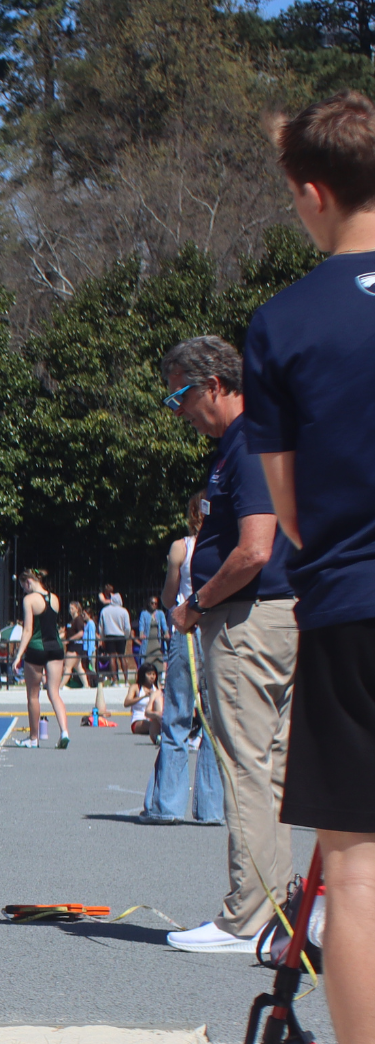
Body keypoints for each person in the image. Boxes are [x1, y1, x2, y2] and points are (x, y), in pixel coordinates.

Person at [247, 91, 375, 1037]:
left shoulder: (284, 322)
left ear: (315, 193)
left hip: (352, 605)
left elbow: (286, 508)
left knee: (359, 869)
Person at [160, 334, 299, 955]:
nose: (179, 409)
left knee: (245, 770)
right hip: (264, 618)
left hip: (248, 623)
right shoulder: (241, 447)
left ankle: (247, 917)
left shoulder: (247, 444)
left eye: (182, 394)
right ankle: (274, 907)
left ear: (215, 384)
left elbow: (255, 548)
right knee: (266, 772)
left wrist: (197, 604)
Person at [142, 492, 224, 828]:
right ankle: (209, 808)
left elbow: (167, 596)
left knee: (176, 717)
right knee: (213, 724)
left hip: (186, 633)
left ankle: (170, 806)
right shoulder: (225, 547)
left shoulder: (182, 547)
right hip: (216, 632)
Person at [11, 570, 71, 749]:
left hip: (37, 648)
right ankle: (64, 732)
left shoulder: (29, 600)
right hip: (56, 648)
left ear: (28, 582)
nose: (24, 591)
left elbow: (28, 630)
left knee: (33, 695)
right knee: (54, 692)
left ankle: (34, 737)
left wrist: (19, 655)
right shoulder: (54, 598)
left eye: (24, 587)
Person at [99, 585, 132, 684]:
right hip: (121, 635)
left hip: (109, 635)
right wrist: (126, 635)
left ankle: (115, 680)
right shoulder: (124, 611)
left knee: (112, 657)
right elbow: (127, 627)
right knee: (122, 657)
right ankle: (126, 680)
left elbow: (101, 627)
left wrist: (103, 637)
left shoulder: (104, 611)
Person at [125, 662, 163, 741]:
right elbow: (126, 703)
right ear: (143, 674)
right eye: (149, 674)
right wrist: (143, 696)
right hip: (139, 720)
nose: (152, 677)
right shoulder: (136, 687)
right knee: (150, 725)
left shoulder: (157, 687)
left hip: (153, 718)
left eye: (154, 674)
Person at [138, 595, 170, 674]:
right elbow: (141, 625)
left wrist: (166, 633)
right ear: (149, 604)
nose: (154, 605)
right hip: (148, 641)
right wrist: (141, 634)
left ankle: (158, 679)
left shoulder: (160, 613)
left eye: (156, 603)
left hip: (157, 641)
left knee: (158, 660)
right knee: (146, 661)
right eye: (152, 603)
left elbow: (164, 624)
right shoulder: (144, 614)